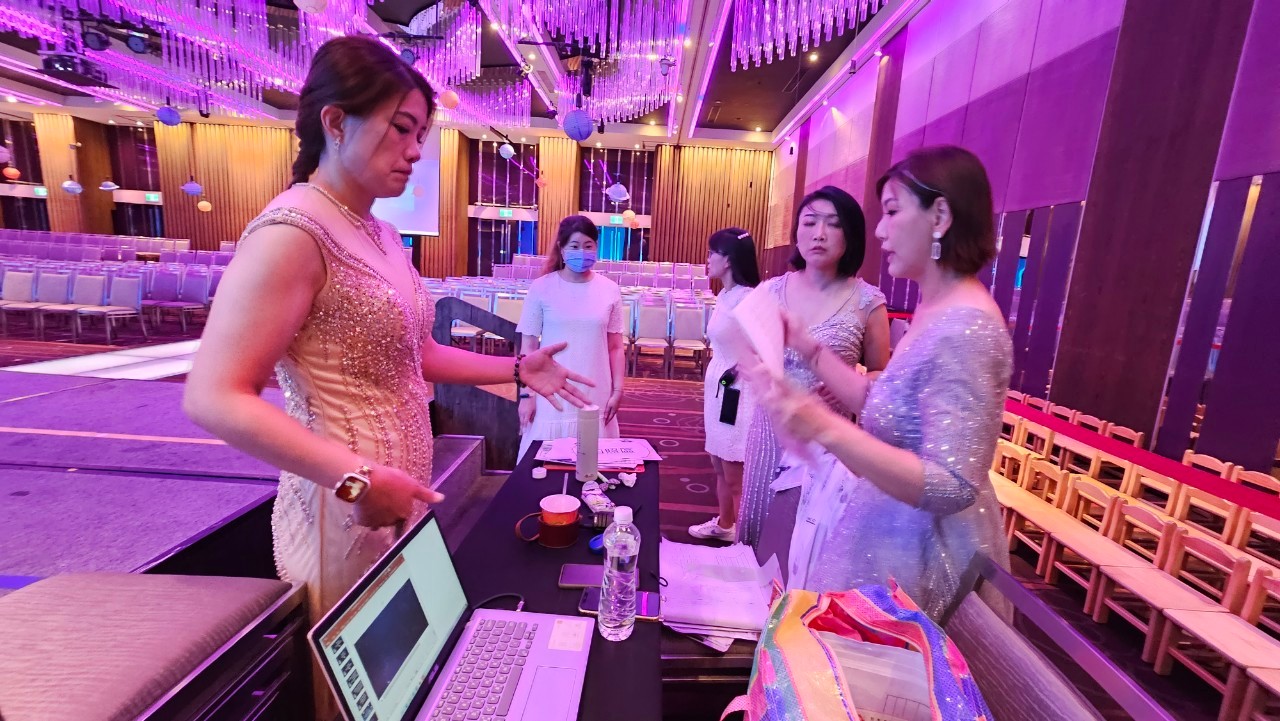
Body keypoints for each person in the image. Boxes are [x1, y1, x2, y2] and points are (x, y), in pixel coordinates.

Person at [182, 37, 590, 716]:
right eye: (401, 129)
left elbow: (416, 353)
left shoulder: (379, 233)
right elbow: (214, 396)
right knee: (358, 697)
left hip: (399, 493)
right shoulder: (291, 232)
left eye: (420, 134)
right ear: (335, 122)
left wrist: (518, 369)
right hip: (345, 504)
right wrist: (356, 477)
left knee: (408, 686)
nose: (414, 151)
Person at [744, 145, 1012, 621]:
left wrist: (823, 426)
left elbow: (953, 484)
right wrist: (808, 348)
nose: (881, 231)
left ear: (940, 216)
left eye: (891, 212)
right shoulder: (936, 308)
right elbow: (883, 403)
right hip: (890, 523)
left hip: (923, 550)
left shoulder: (966, 327)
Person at [736, 186, 891, 558]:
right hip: (770, 432)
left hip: (829, 437)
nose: (819, 233)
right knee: (759, 526)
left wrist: (852, 384)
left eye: (833, 224)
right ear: (797, 232)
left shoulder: (868, 301)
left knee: (810, 539)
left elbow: (881, 375)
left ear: (850, 235)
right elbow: (747, 356)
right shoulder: (770, 292)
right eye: (810, 222)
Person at [516, 216, 626, 462]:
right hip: (550, 391)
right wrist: (526, 396)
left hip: (596, 388)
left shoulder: (609, 289)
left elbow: (615, 347)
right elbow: (528, 349)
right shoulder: (541, 288)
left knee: (594, 467)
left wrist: (618, 389)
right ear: (562, 248)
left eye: (588, 246)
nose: (582, 252)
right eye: (575, 246)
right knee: (545, 468)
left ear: (596, 248)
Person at [688, 228, 761, 542]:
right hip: (719, 386)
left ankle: (744, 542)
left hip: (738, 391)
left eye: (711, 253)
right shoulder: (725, 295)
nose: (707, 260)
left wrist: (743, 366)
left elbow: (768, 346)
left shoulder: (751, 299)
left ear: (728, 259)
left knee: (734, 471)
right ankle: (725, 524)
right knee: (718, 462)